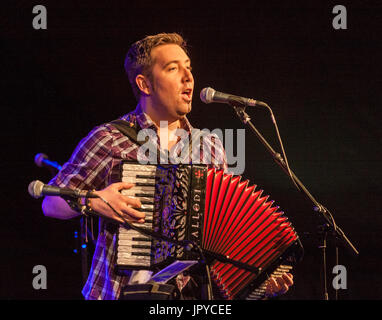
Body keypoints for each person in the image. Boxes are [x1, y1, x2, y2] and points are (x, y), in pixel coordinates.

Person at [42, 32, 293, 300]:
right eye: (173, 68)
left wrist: (259, 285)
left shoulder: (210, 147)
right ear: (145, 84)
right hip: (118, 292)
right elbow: (50, 202)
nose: (188, 77)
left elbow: (223, 238)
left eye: (189, 67)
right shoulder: (109, 138)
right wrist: (95, 201)